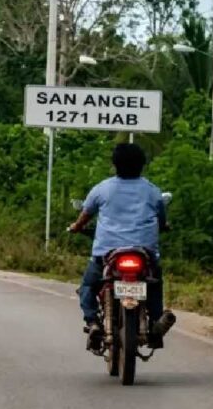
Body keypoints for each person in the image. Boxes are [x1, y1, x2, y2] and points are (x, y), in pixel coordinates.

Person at [68, 143, 172, 349]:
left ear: (115, 165)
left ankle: (92, 322)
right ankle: (155, 321)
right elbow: (161, 219)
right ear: (142, 165)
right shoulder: (152, 191)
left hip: (107, 252)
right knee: (154, 284)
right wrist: (164, 226)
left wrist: (76, 227)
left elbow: (85, 216)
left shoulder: (102, 189)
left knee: (89, 285)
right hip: (145, 252)